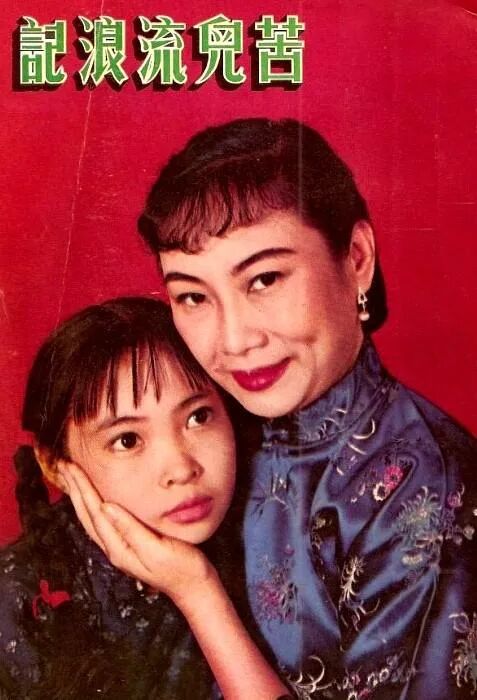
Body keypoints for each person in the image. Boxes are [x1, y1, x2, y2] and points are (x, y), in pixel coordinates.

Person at [118, 117, 475, 699]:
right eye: (192, 296)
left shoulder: (424, 487)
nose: (233, 341)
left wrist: (198, 592)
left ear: (356, 258)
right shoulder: (210, 431)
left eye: (263, 280)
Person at [0, 296, 289, 699]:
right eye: (128, 440)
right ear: (54, 465)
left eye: (198, 417)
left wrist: (199, 592)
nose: (181, 469)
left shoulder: (285, 545)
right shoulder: (16, 601)